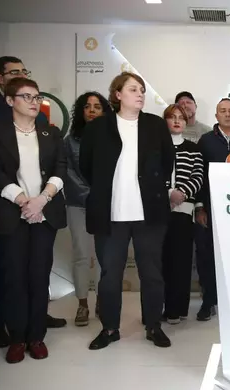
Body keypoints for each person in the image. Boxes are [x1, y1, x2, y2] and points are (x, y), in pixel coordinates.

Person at [0, 56, 65, 349]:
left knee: (39, 276)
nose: (33, 101)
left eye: (36, 97)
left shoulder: (50, 132)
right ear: (11, 100)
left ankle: (36, 337)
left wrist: (40, 201)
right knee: (13, 276)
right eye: (27, 97)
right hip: (10, 212)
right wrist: (24, 200)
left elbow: (60, 170)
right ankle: (16, 338)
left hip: (44, 213)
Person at [80, 72, 175, 350]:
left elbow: (167, 161)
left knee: (152, 273)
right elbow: (86, 166)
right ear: (118, 94)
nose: (140, 94)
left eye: (142, 90)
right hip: (110, 215)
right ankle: (110, 328)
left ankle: (153, 325)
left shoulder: (155, 126)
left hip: (150, 215)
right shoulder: (98, 128)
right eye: (134, 89)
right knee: (110, 275)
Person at [195, 98, 230, 321]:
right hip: (212, 207)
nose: (227, 114)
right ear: (216, 116)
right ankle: (209, 301)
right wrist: (200, 207)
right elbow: (198, 175)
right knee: (207, 257)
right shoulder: (205, 141)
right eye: (223, 111)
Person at [65, 91, 112, 327]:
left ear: (105, 111)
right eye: (87, 106)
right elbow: (69, 174)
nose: (92, 110)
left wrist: (103, 196)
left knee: (106, 257)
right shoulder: (70, 140)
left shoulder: (114, 137)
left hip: (108, 205)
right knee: (82, 255)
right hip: (79, 204)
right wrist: (91, 195)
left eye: (97, 106)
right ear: (81, 112)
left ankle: (102, 301)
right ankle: (82, 303)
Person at [161, 104, 203, 324]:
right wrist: (168, 193)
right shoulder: (156, 146)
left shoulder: (193, 148)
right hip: (159, 210)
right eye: (172, 117)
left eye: (181, 118)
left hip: (184, 211)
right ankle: (158, 307)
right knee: (160, 261)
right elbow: (152, 174)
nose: (177, 121)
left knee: (181, 261)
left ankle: (177, 309)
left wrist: (183, 193)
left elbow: (198, 176)